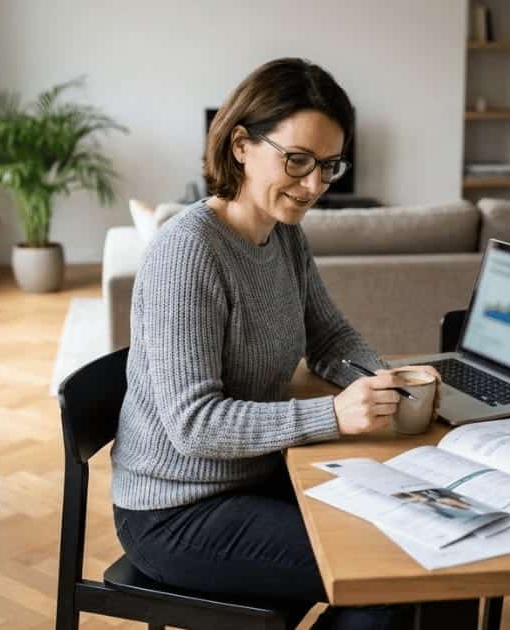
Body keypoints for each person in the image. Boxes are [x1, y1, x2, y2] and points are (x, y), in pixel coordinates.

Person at [110, 58, 441, 629]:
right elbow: (193, 425)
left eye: (329, 166)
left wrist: (382, 381)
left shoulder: (284, 236)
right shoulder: (189, 253)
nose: (314, 185)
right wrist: (334, 415)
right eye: (297, 160)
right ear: (241, 144)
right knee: (386, 572)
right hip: (176, 510)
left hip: (259, 476)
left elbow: (330, 336)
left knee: (430, 538)